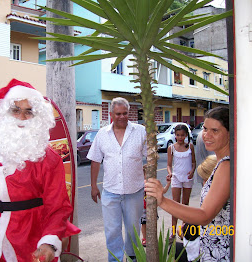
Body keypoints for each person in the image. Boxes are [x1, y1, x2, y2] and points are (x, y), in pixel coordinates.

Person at [0, 79, 77, 262]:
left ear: (38, 117)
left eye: (28, 112)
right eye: (16, 110)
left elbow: (58, 207)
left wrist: (48, 242)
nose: (21, 118)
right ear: (6, 113)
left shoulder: (50, 160)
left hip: (30, 238)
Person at [145, 106, 230, 261]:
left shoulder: (227, 166)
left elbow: (204, 215)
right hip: (210, 240)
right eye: (205, 128)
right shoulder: (222, 162)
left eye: (215, 130)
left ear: (230, 133)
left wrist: (162, 200)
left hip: (217, 252)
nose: (206, 135)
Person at [87, 97, 147, 262]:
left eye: (125, 113)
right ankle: (115, 260)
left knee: (132, 230)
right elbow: (95, 161)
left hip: (134, 191)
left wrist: (150, 182)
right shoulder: (102, 134)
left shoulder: (140, 131)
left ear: (129, 113)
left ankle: (133, 258)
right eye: (118, 113)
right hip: (110, 192)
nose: (122, 117)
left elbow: (151, 158)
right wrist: (93, 186)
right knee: (112, 230)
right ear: (111, 114)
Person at [167, 124, 196, 241]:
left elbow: (194, 162)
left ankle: (183, 230)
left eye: (182, 135)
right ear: (175, 135)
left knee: (185, 204)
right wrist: (170, 173)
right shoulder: (171, 148)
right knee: (175, 205)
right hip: (176, 177)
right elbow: (169, 165)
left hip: (188, 178)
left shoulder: (190, 146)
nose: (180, 137)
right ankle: (173, 232)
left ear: (186, 135)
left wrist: (192, 171)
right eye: (178, 135)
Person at [140, 168, 171, 247]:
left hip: (152, 207)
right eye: (146, 174)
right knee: (144, 223)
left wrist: (168, 184)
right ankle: (144, 238)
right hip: (143, 207)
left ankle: (152, 238)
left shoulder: (155, 184)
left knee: (152, 223)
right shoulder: (141, 183)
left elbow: (163, 191)